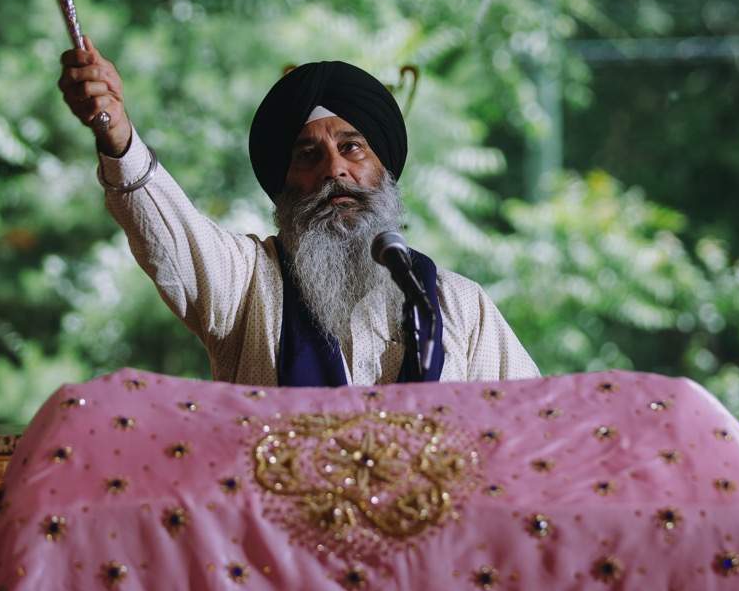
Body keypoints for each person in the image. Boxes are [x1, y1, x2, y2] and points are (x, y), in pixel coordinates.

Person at [58, 38, 539, 387]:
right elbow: (170, 235)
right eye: (308, 155)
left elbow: (534, 432)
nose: (334, 169)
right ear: (284, 186)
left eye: (352, 147)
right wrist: (117, 135)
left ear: (384, 168)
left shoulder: (459, 305)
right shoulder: (246, 286)